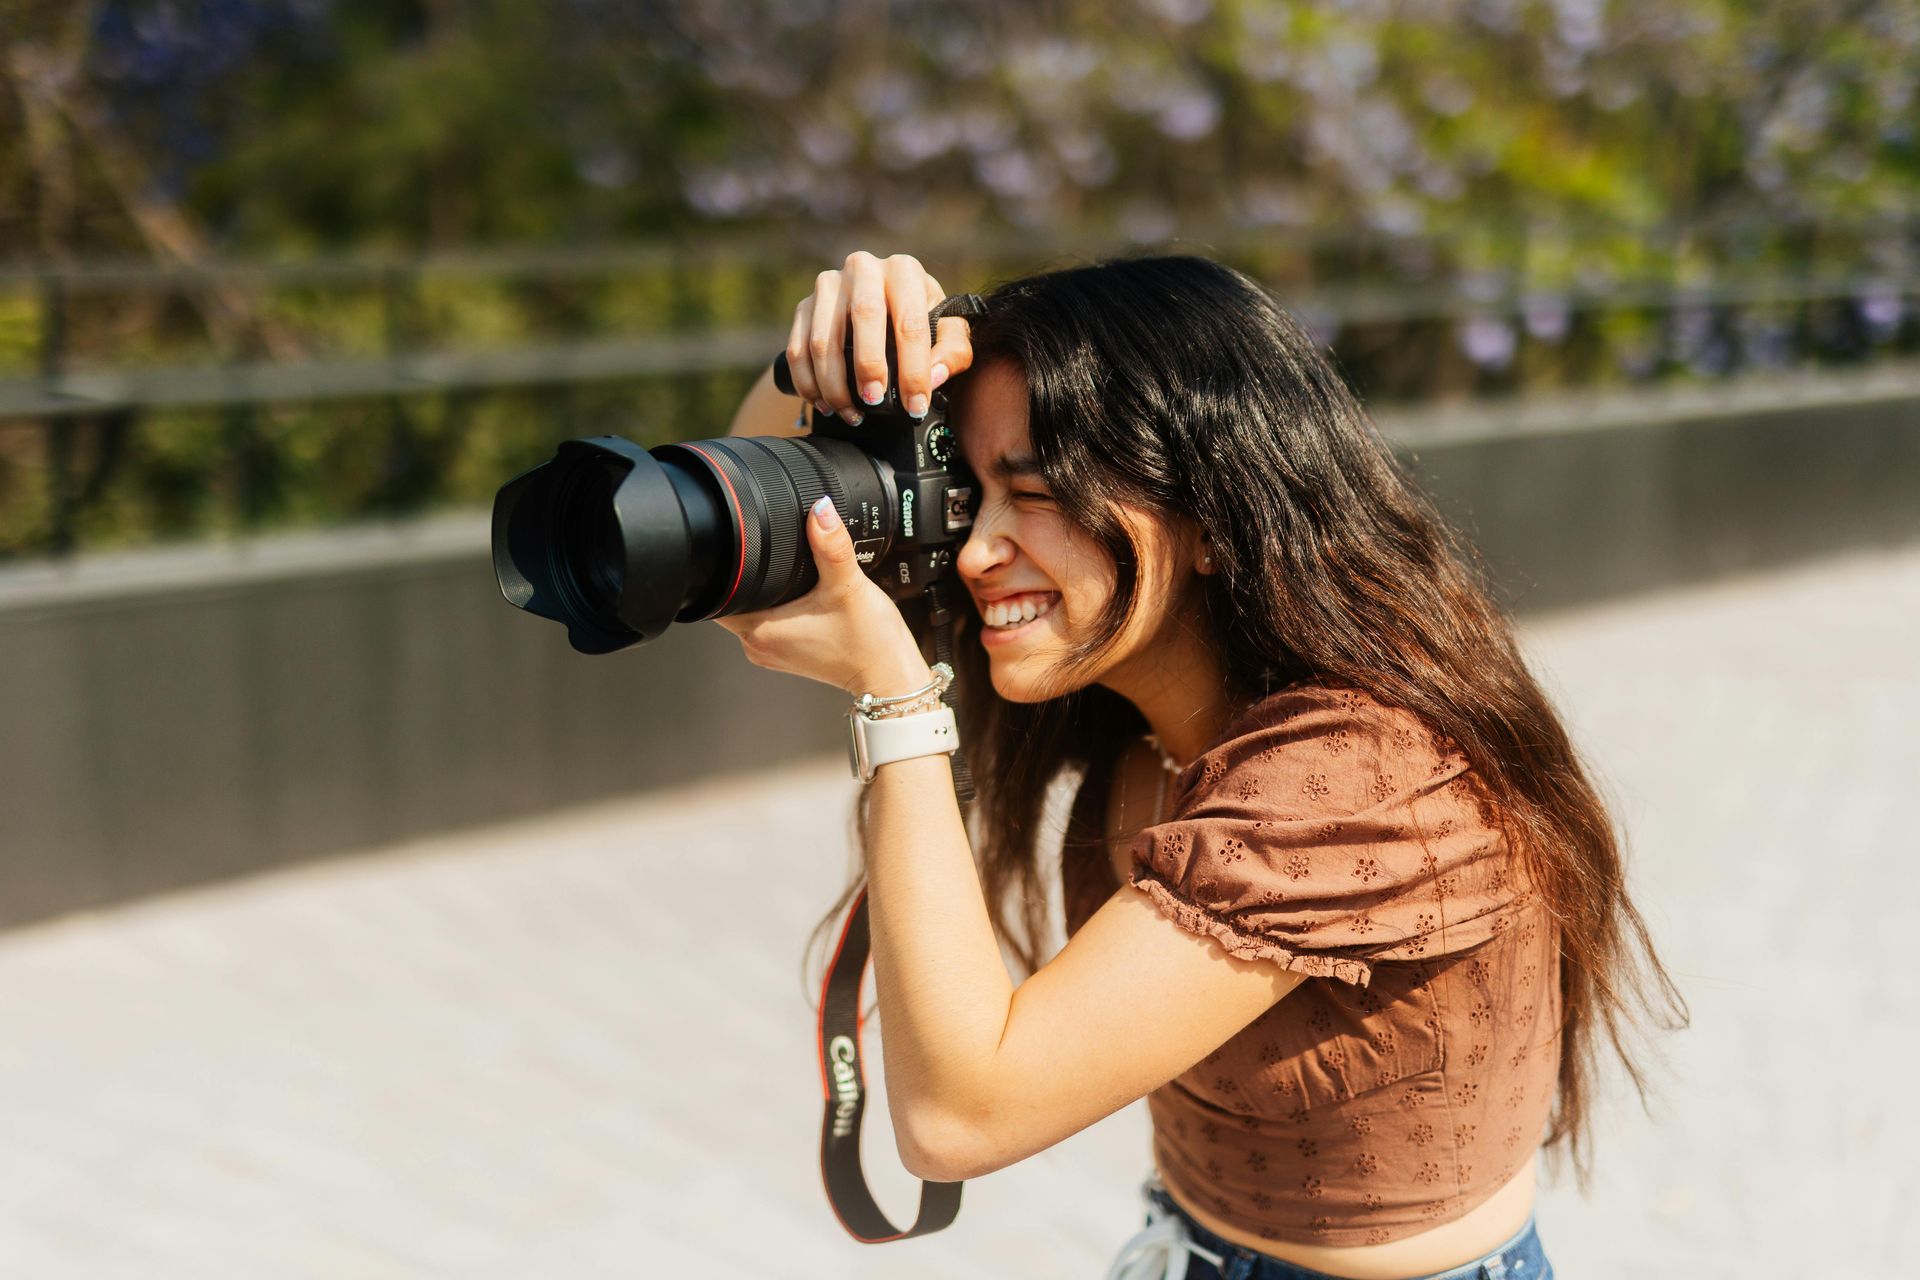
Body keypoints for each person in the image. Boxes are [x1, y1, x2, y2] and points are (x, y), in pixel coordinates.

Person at [718, 251, 1688, 1279]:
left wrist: (898, 702)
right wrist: (816, 367)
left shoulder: (1363, 774)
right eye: (972, 495)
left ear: (1213, 522)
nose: (974, 551)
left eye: (1036, 491)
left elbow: (960, 1114)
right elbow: (755, 571)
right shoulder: (1130, 685)